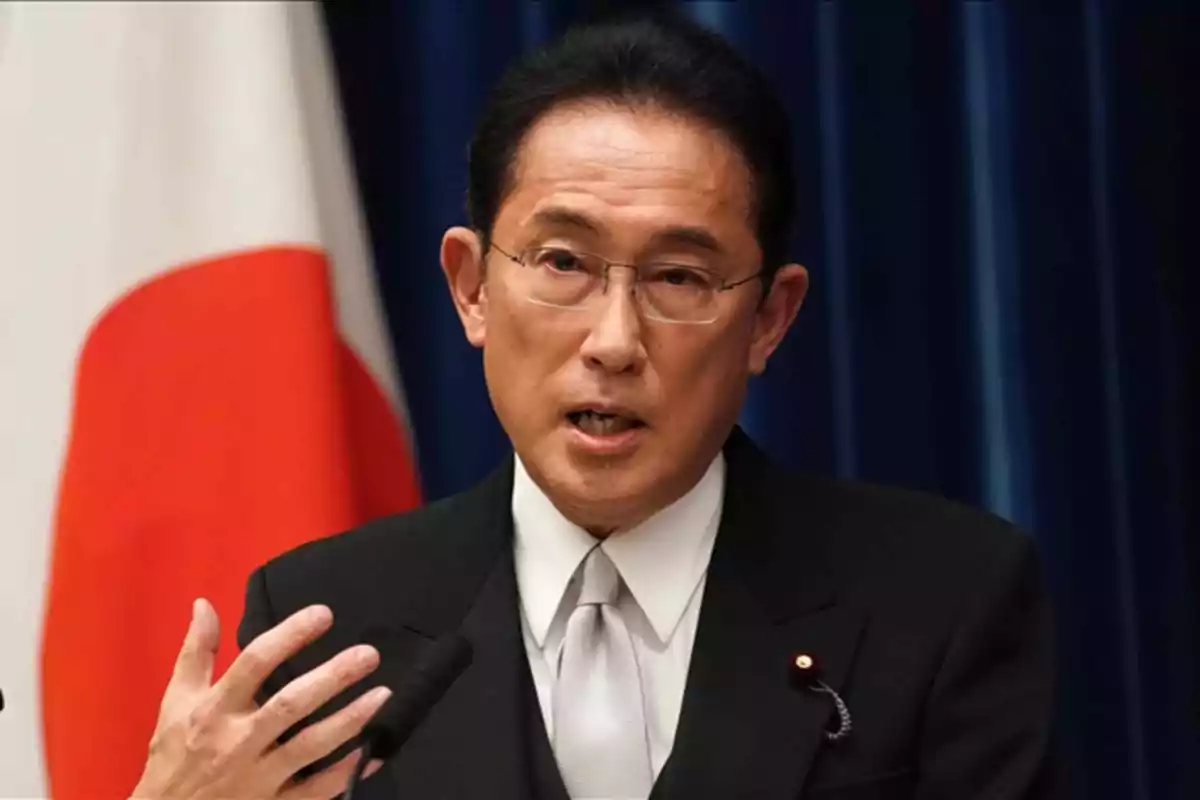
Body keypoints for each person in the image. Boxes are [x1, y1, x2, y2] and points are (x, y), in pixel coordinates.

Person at [130, 11, 1064, 800]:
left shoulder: (941, 606)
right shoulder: (329, 623)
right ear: (471, 289)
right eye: (564, 263)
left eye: (679, 276)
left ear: (769, 320)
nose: (614, 340)